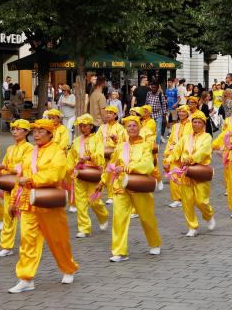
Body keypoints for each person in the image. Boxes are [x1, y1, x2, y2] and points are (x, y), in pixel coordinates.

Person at [7, 119, 78, 293]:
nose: (36, 134)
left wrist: (32, 179)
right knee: (27, 241)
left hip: (49, 202)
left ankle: (68, 268)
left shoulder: (58, 152)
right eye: (35, 131)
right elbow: (20, 178)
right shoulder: (29, 152)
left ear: (50, 134)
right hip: (28, 202)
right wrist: (12, 202)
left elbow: (56, 174)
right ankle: (26, 278)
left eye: (41, 131)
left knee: (58, 240)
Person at [96, 116, 162, 261]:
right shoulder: (120, 147)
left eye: (134, 126)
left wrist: (127, 168)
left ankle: (155, 243)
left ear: (139, 128)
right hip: (120, 186)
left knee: (146, 217)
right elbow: (111, 167)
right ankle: (119, 252)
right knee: (119, 219)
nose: (131, 128)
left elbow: (147, 165)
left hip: (139, 185)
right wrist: (102, 183)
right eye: (129, 126)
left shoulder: (145, 146)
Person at [163, 112, 215, 237]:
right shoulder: (185, 138)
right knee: (187, 201)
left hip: (200, 171)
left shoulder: (207, 137)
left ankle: (209, 216)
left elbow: (203, 152)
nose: (196, 125)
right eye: (194, 122)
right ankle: (192, 226)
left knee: (201, 201)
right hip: (185, 171)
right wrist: (168, 161)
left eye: (199, 122)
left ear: (203, 124)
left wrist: (190, 159)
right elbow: (176, 151)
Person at [0, 119, 33, 257]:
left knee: (28, 219)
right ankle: (7, 246)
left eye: (18, 129)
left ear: (26, 132)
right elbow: (3, 168)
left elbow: (24, 167)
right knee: (8, 215)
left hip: (24, 188)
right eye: (13, 129)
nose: (14, 132)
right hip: (11, 187)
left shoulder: (29, 148)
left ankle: (31, 244)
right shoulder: (10, 148)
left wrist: (5, 167)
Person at [67, 114, 109, 238]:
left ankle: (103, 216)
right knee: (80, 202)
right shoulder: (77, 141)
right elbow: (71, 158)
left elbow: (100, 157)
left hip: (93, 174)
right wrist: (70, 169)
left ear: (91, 126)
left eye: (85, 126)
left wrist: (89, 157)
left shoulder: (97, 138)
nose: (82, 128)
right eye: (80, 126)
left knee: (94, 201)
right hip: (79, 174)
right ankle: (84, 228)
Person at [97, 105, 128, 205]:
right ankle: (104, 195)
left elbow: (123, 141)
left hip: (114, 155)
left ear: (116, 115)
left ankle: (111, 195)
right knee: (103, 174)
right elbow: (97, 140)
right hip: (103, 154)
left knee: (111, 174)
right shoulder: (102, 127)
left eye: (111, 113)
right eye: (107, 113)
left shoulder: (120, 128)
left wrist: (115, 139)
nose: (108, 115)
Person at [163, 105, 193, 208]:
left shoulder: (192, 125)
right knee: (173, 175)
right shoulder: (175, 126)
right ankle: (176, 198)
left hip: (186, 153)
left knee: (185, 176)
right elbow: (171, 140)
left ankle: (185, 197)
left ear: (188, 113)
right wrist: (166, 153)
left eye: (183, 112)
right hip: (174, 152)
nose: (181, 114)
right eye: (179, 112)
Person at [141, 105, 164, 191]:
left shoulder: (151, 122)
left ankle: (159, 179)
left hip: (149, 145)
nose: (143, 114)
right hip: (139, 146)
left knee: (153, 166)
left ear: (149, 113)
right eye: (142, 112)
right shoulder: (139, 121)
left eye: (145, 112)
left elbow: (145, 131)